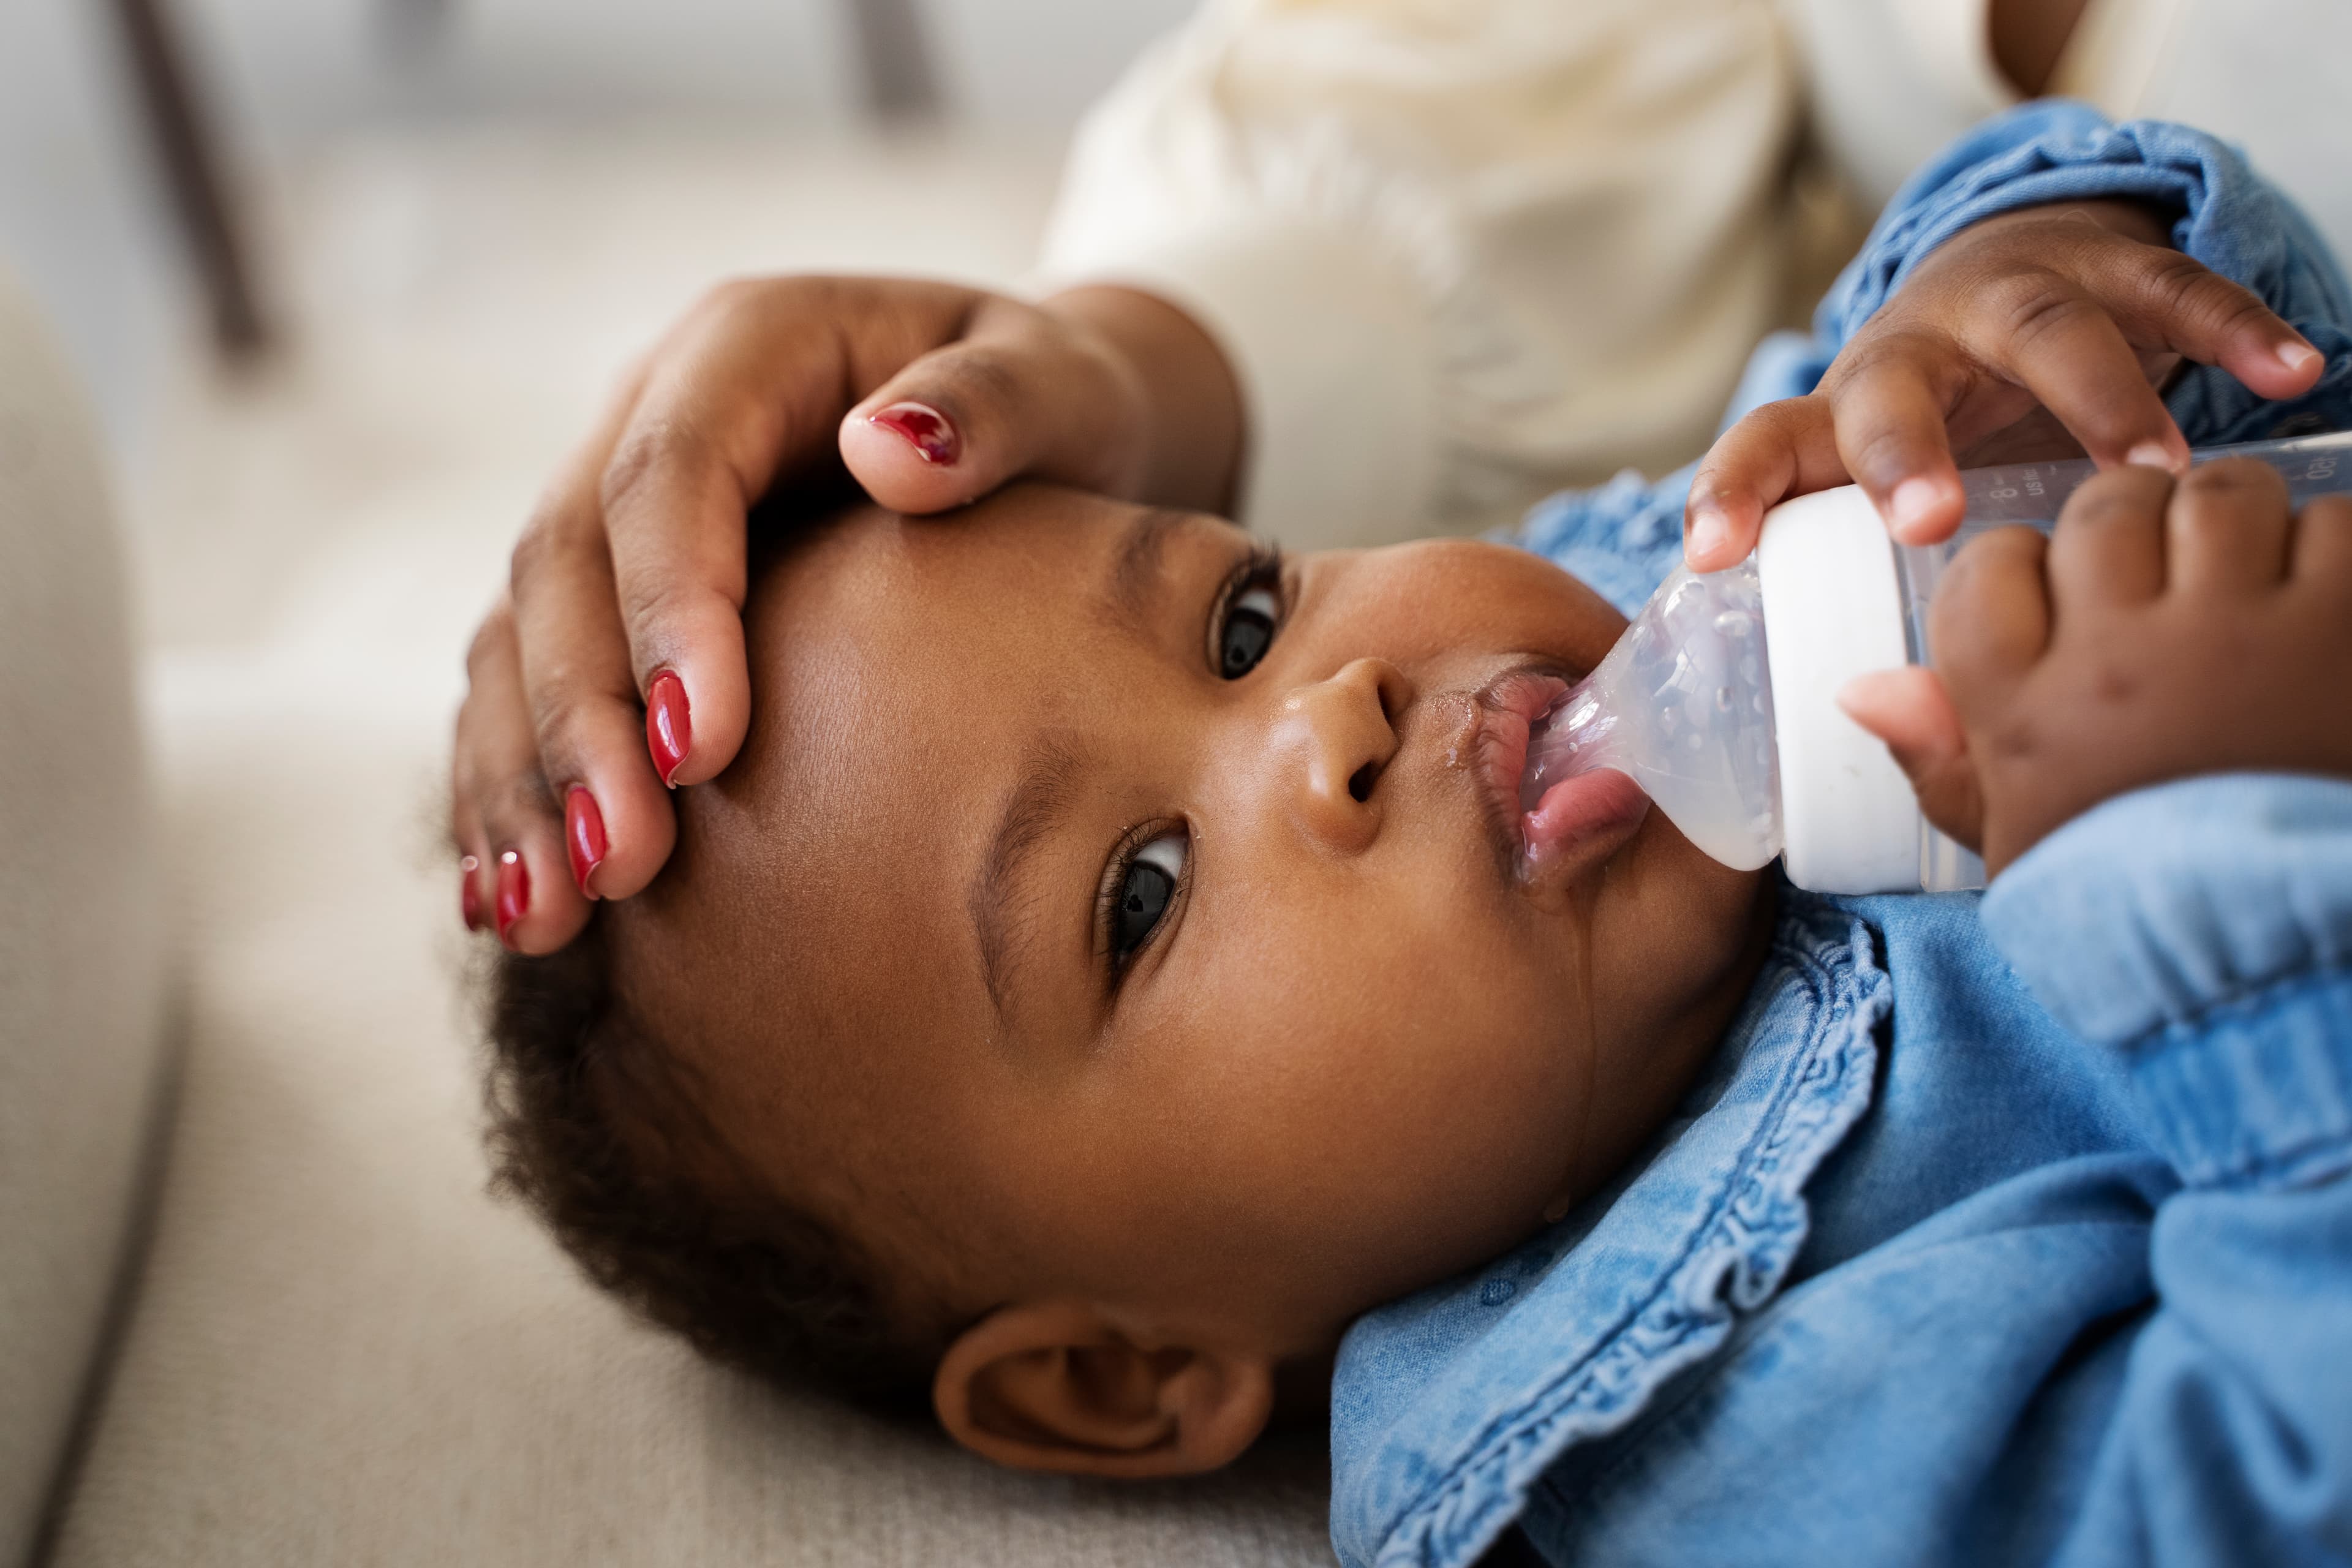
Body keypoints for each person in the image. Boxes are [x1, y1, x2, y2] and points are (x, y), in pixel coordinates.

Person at [477, 102, 2352, 1567]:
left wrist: (2026, 271)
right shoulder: (1691, 1438)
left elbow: (2116, 354)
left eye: (1239, 617)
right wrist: (2206, 868)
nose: (1329, 718)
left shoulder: (1666, 573)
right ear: (1125, 1375)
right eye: (1139, 896)